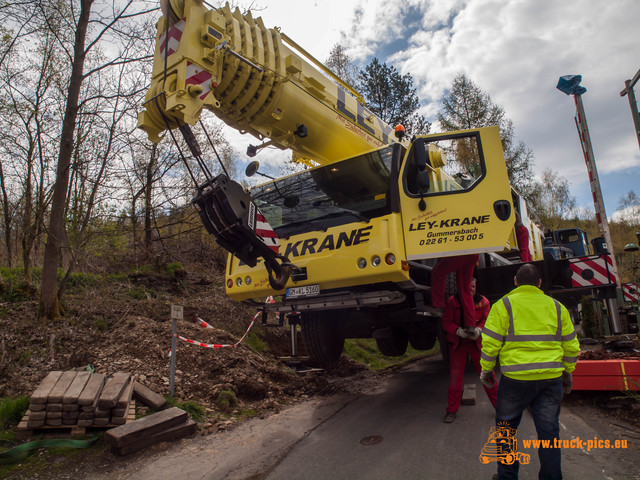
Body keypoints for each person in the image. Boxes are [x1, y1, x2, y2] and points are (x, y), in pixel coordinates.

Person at [480, 264, 580, 480]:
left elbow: (490, 343)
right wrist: (567, 372)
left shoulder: (503, 306)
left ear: (515, 281)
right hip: (550, 379)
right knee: (549, 433)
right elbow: (572, 346)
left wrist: (486, 369)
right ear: (540, 283)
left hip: (515, 379)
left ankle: (507, 477)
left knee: (506, 431)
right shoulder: (556, 307)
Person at [441, 278, 497, 423]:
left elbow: (487, 321)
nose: (471, 289)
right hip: (458, 344)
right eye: (467, 287)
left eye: (473, 286)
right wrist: (458, 331)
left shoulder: (483, 302)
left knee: (487, 375)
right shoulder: (452, 302)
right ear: (460, 288)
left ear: (475, 286)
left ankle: (500, 408)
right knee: (455, 378)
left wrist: (479, 330)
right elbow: (446, 321)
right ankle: (451, 411)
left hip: (476, 343)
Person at [428, 253, 479, 327]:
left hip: (461, 252)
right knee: (465, 289)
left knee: (438, 271)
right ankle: (470, 324)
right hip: (474, 253)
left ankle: (438, 306)